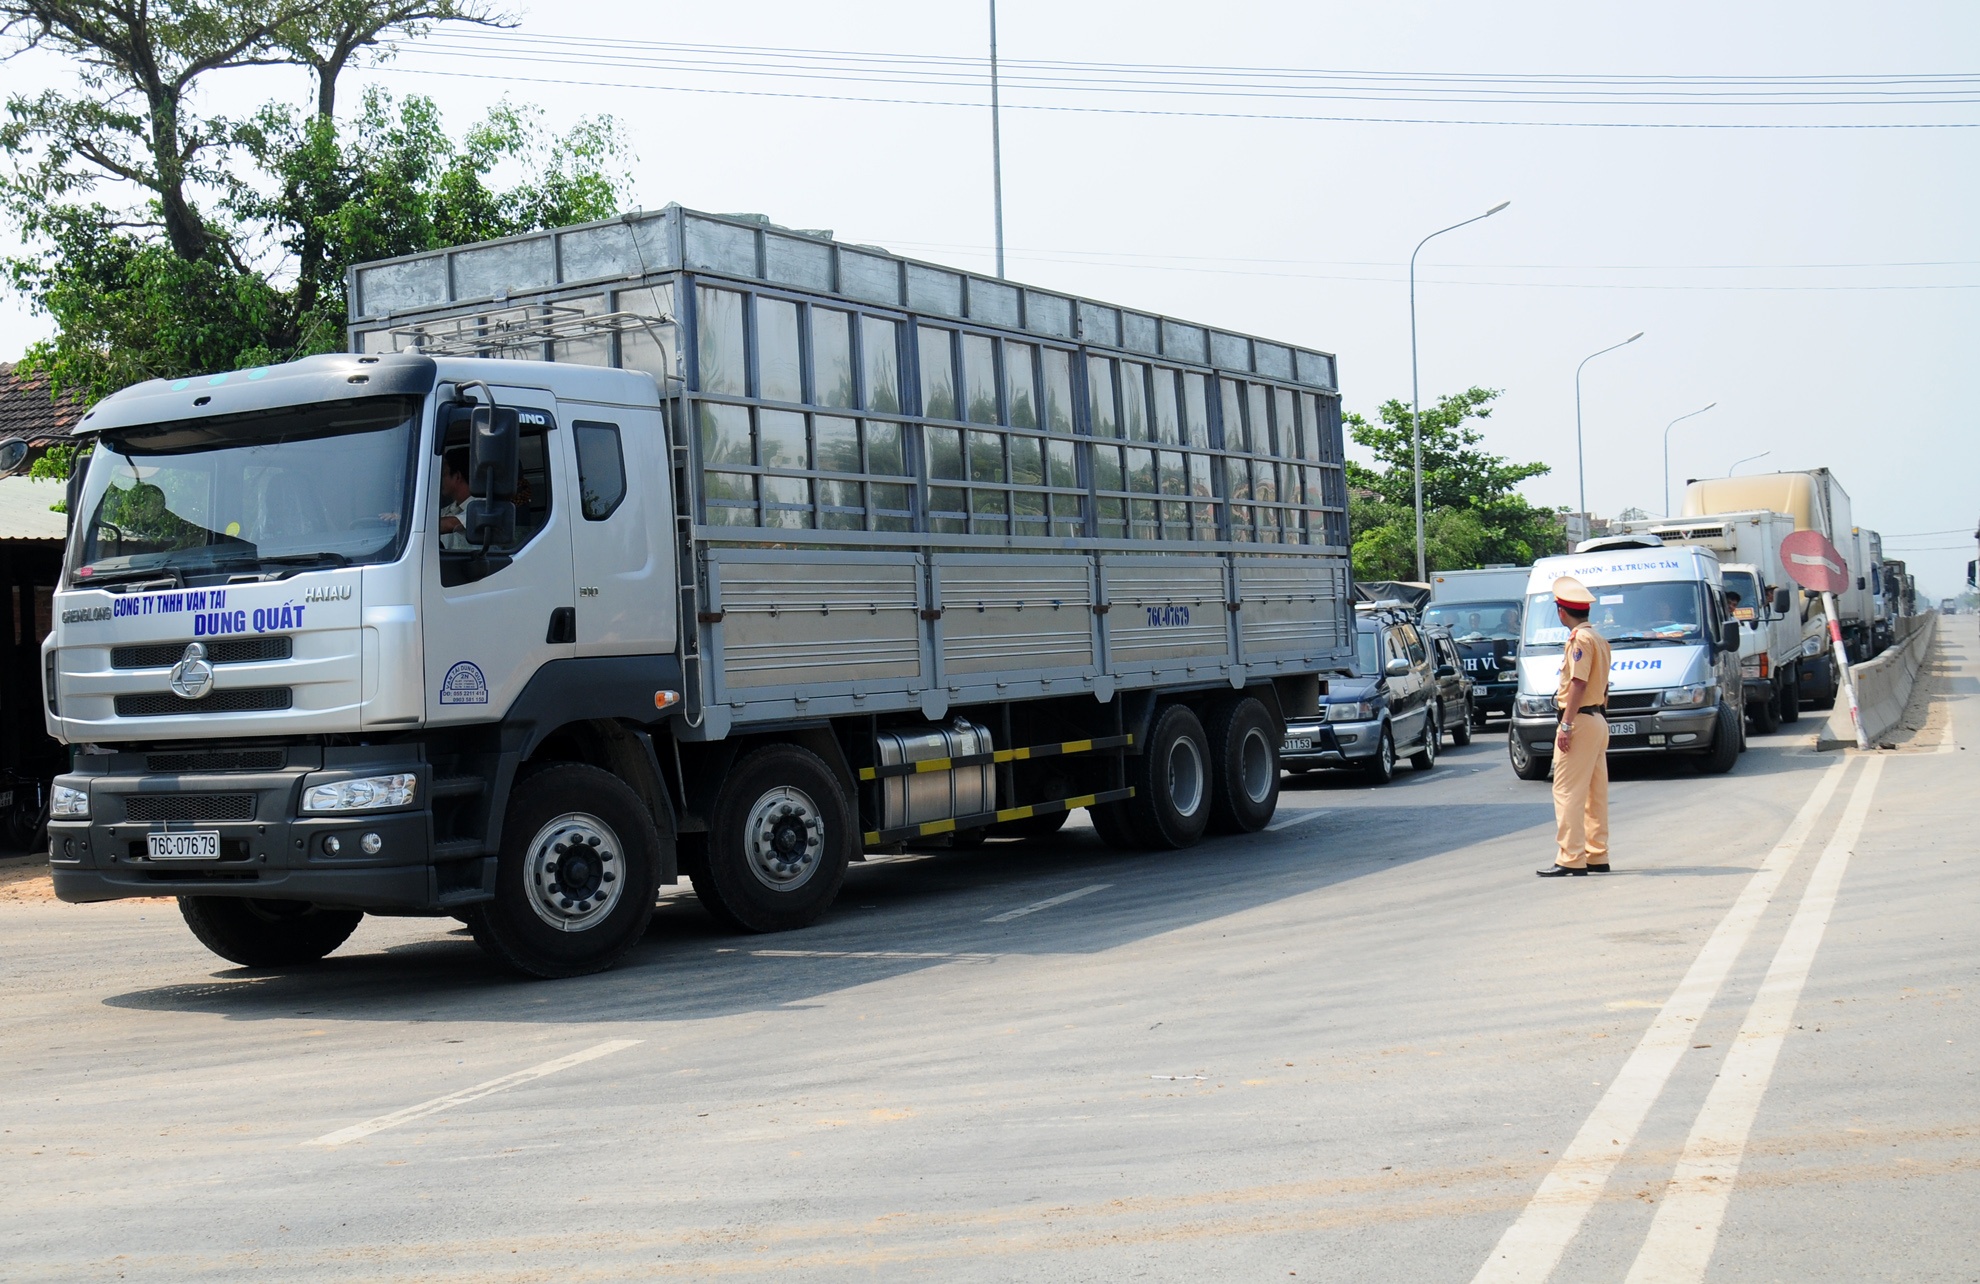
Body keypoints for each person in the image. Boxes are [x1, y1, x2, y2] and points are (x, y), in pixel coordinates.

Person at [1538, 576, 1613, 877]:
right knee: (1595, 792)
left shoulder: (1579, 640)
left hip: (1580, 719)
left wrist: (1566, 725)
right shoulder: (1598, 638)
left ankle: (1571, 857)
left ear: (1561, 611)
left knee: (1567, 791)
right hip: (1597, 719)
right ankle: (1597, 854)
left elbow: (1579, 683)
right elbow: (1604, 686)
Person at [438, 452, 471, 550]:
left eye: (444, 474)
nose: (440, 480)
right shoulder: (448, 510)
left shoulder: (483, 506)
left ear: (457, 476)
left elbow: (451, 524)